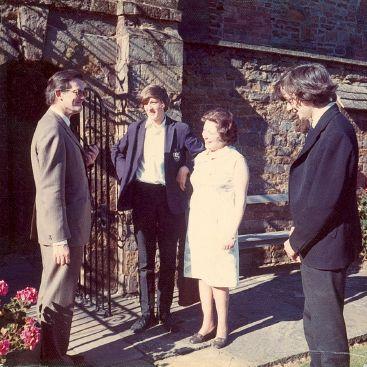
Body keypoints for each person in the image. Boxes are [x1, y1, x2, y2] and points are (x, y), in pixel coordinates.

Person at [273, 63, 362, 367]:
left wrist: (296, 240)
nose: (289, 107)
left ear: (302, 95)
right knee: (314, 322)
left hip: (327, 245)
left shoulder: (336, 130)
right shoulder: (325, 127)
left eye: (289, 99)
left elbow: (325, 200)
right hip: (318, 243)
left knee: (327, 330)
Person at [111, 84, 204, 333]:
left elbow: (201, 153)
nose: (149, 107)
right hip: (143, 196)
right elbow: (115, 152)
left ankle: (165, 313)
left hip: (169, 199)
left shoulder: (179, 129)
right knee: (145, 260)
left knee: (169, 258)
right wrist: (125, 175)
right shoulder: (135, 129)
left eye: (153, 102)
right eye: (145, 103)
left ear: (164, 103)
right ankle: (146, 314)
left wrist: (187, 167)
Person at [30, 69, 99, 365]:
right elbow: (49, 189)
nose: (82, 96)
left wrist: (85, 162)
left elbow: (64, 176)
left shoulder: (62, 125)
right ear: (59, 94)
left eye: (83, 92)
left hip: (67, 228)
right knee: (58, 295)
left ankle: (55, 353)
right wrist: (59, 238)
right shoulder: (52, 129)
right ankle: (54, 359)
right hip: (63, 232)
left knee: (59, 292)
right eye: (78, 91)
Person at [184, 108, 249, 349]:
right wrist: (183, 169)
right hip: (199, 224)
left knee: (219, 277)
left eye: (210, 131)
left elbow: (240, 198)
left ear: (224, 132)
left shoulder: (235, 160)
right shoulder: (201, 158)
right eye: (204, 130)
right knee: (203, 273)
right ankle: (206, 324)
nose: (204, 134)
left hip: (221, 226)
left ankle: (222, 327)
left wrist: (231, 231)